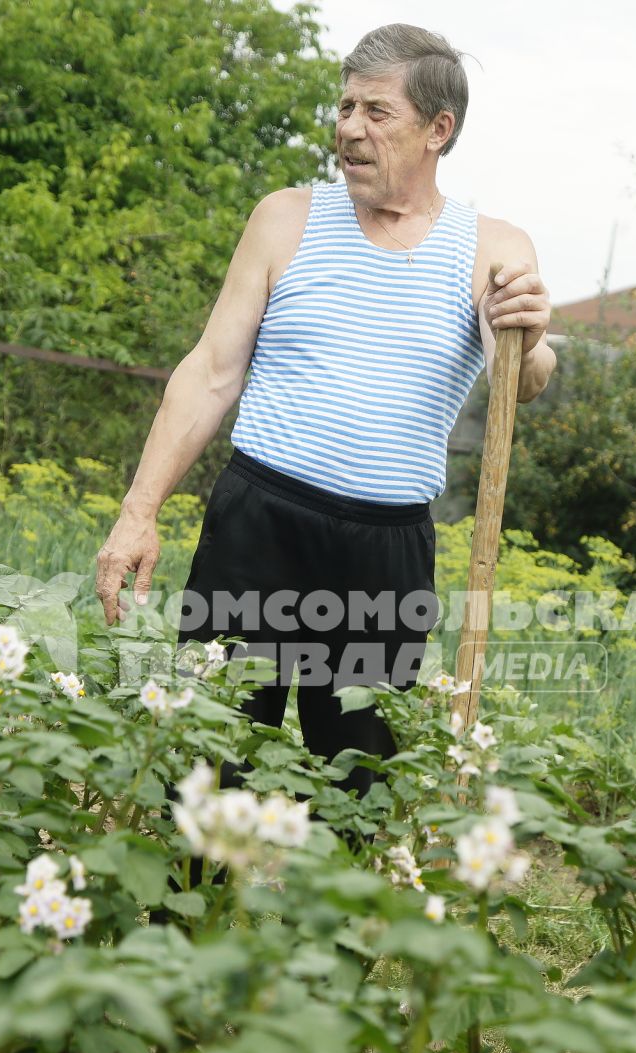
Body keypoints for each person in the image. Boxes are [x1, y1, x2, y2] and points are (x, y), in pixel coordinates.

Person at [93, 23, 554, 793]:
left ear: (438, 130)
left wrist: (531, 336)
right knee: (208, 760)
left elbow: (527, 376)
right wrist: (139, 510)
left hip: (385, 552)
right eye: (344, 107)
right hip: (259, 527)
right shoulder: (285, 218)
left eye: (377, 112)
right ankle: (186, 909)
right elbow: (210, 372)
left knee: (362, 784)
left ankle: (344, 913)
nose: (349, 128)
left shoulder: (494, 249)